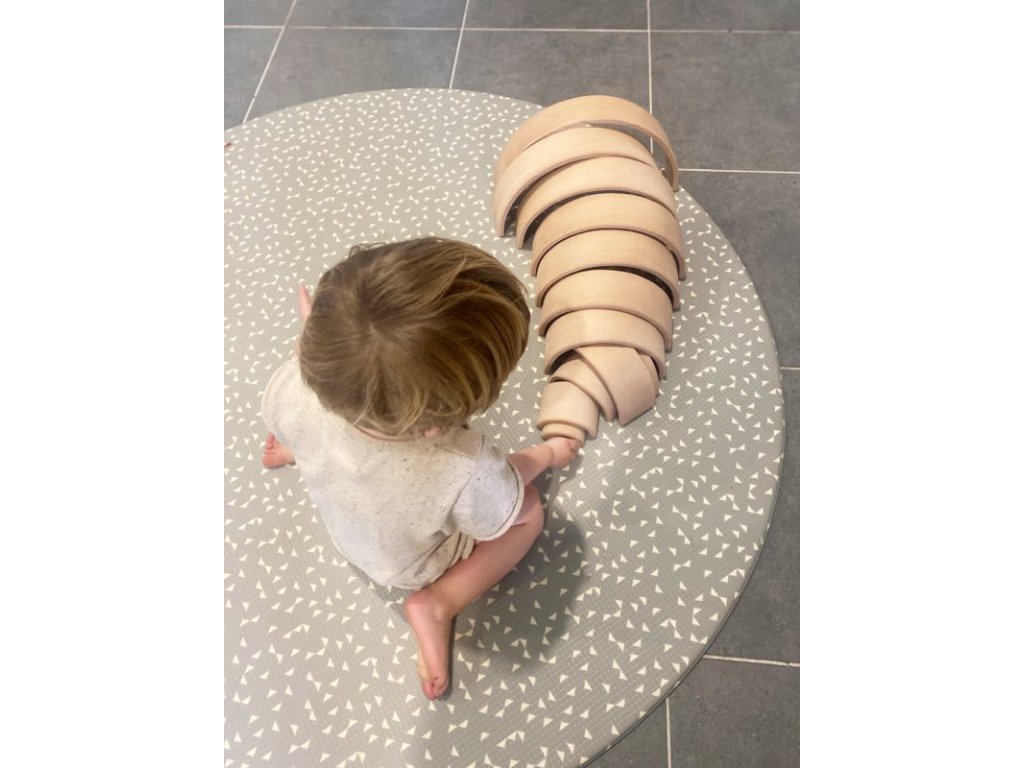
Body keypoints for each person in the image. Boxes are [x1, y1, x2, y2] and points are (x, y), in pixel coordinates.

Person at [259, 237, 581, 701]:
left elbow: (319, 364)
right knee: (528, 510)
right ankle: (440, 602)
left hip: (344, 522)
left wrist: (313, 340)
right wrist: (548, 454)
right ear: (435, 423)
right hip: (408, 563)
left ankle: (298, 450)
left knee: (314, 430)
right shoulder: (461, 463)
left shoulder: (297, 382)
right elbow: (502, 489)